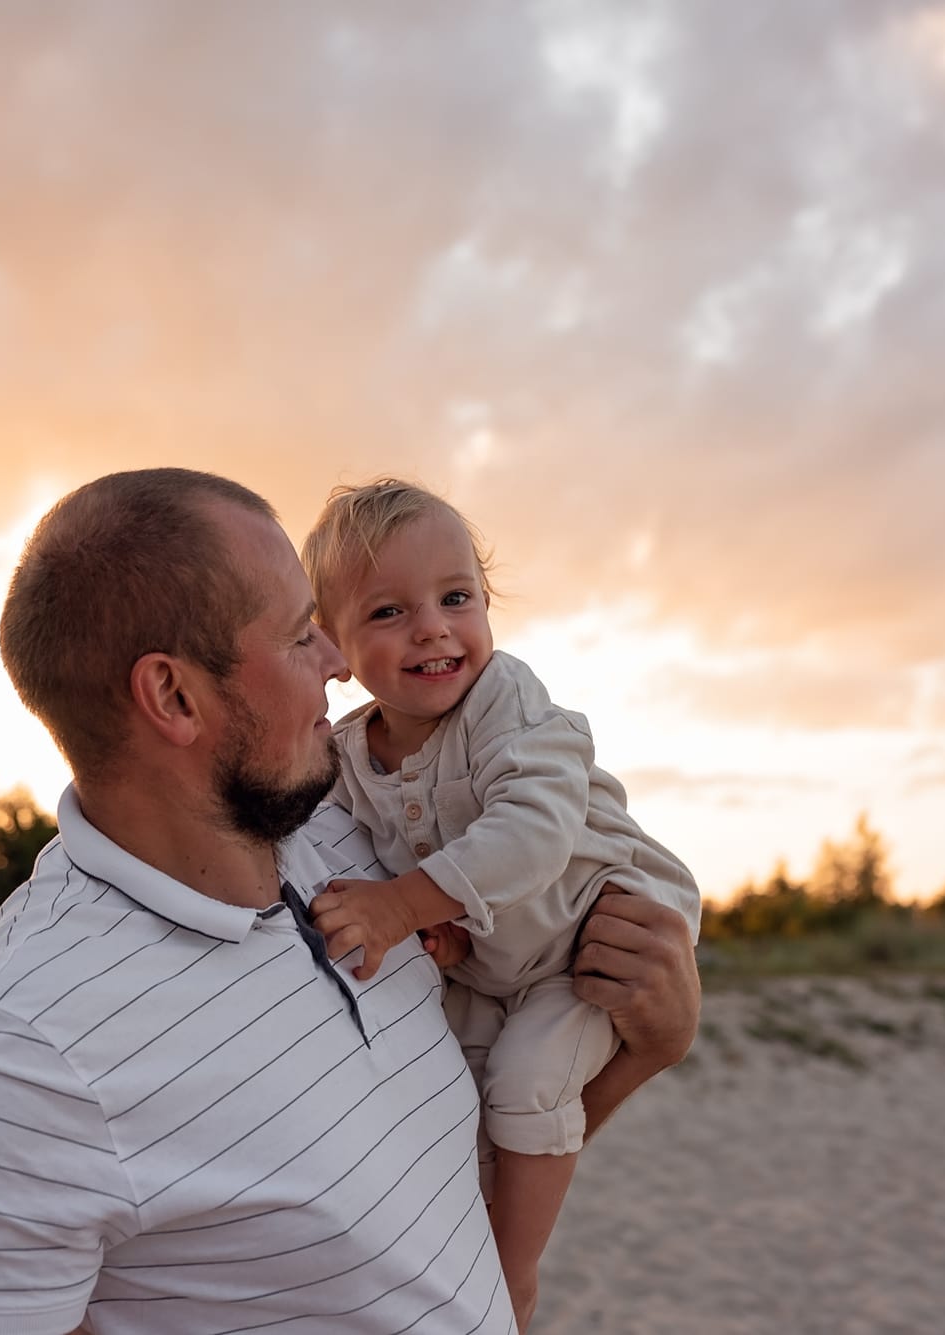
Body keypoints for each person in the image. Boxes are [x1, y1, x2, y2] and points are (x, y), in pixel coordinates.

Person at [0, 468, 699, 1335]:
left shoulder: (363, 846)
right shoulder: (20, 1057)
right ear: (175, 696)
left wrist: (645, 1048)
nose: (339, 663)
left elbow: (450, 1165)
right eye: (300, 634)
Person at [300, 478, 703, 1330]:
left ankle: (511, 1276)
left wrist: (403, 905)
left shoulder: (503, 699)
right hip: (496, 957)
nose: (434, 626)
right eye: (387, 612)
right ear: (331, 646)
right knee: (461, 1091)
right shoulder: (341, 762)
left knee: (525, 1082)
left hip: (592, 928)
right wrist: (433, 924)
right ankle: (462, 1253)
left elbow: (532, 832)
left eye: (456, 598)